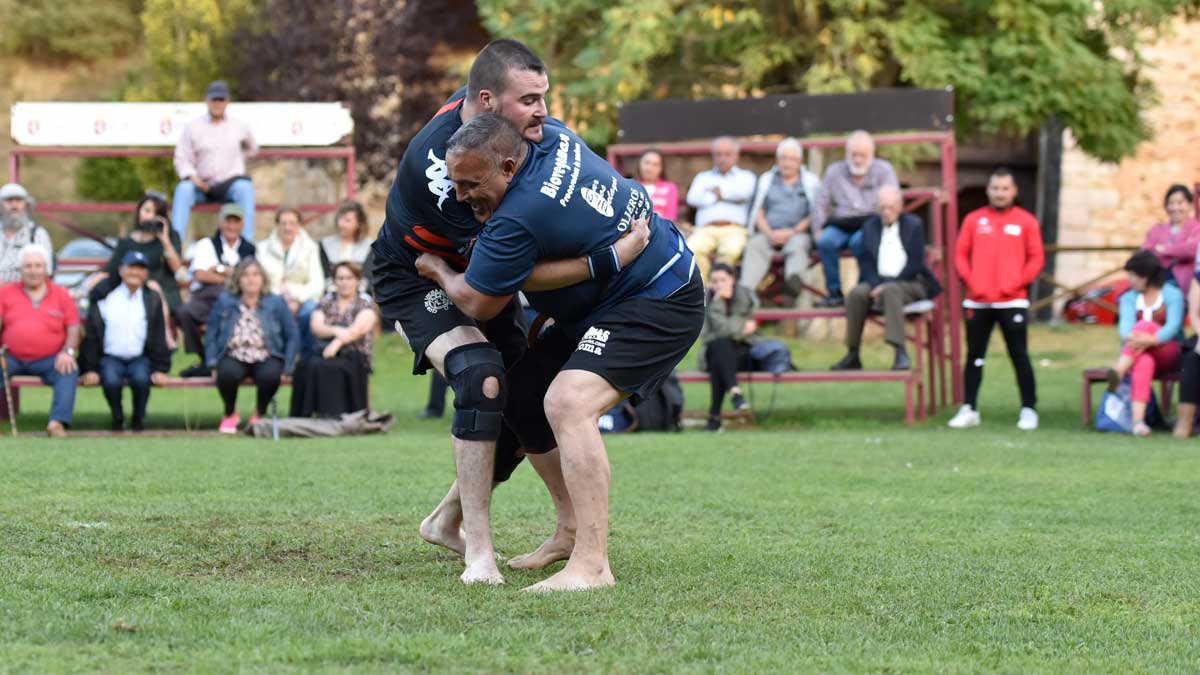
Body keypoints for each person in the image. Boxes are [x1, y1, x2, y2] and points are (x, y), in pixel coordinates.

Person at [369, 39, 649, 586]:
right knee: (481, 378)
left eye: (544, 97)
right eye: (530, 101)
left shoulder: (495, 125)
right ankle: (478, 552)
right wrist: (606, 258)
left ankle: (451, 520)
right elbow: (491, 288)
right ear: (490, 102)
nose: (543, 111)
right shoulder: (449, 173)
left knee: (524, 396)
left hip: (474, 273)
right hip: (418, 272)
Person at [418, 111, 705, 592]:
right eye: (457, 184)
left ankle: (593, 566)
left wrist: (439, 272)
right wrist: (603, 263)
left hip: (658, 296)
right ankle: (570, 531)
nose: (463, 196)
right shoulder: (550, 138)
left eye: (472, 184)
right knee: (524, 394)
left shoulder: (518, 215)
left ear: (508, 167)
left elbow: (479, 297)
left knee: (568, 402)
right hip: (610, 296)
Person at [948, 167, 1045, 431]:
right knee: (975, 357)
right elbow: (960, 254)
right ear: (988, 190)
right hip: (978, 301)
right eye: (995, 188)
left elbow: (1036, 257)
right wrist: (971, 281)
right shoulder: (973, 220)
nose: (1000, 193)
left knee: (1019, 355)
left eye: (1005, 188)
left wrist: (1017, 282)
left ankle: (1028, 408)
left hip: (1011, 301)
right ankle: (969, 407)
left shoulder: (1026, 221)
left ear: (1013, 191)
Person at [831, 186, 942, 372]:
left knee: (892, 290)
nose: (886, 212)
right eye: (882, 208)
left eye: (890, 207)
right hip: (878, 280)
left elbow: (915, 263)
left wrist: (888, 284)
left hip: (910, 281)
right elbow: (865, 261)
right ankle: (853, 353)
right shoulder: (870, 226)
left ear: (900, 206)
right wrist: (876, 285)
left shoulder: (913, 224)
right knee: (856, 293)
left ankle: (900, 352)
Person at [79, 252, 172, 432]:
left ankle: (138, 418)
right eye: (131, 267)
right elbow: (92, 334)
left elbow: (159, 334)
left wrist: (160, 369)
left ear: (146, 273)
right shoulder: (105, 296)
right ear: (121, 270)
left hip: (139, 357)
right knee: (111, 381)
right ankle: (117, 417)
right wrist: (89, 368)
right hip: (111, 357)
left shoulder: (152, 299)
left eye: (140, 268)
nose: (135, 273)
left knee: (140, 380)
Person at [205, 258, 299, 434]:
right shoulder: (225, 301)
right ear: (238, 280)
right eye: (246, 275)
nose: (251, 279)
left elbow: (292, 334)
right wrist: (212, 361)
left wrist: (289, 365)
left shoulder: (276, 302)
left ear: (263, 278)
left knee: (271, 375)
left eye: (256, 274)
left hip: (266, 353)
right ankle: (230, 413)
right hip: (234, 353)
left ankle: (259, 413)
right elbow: (211, 332)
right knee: (226, 373)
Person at [812, 131, 899, 307]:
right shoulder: (834, 171)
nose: (858, 159)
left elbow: (893, 200)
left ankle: (862, 293)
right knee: (825, 241)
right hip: (841, 223)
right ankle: (834, 293)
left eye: (862, 155)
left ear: (871, 155)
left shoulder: (884, 170)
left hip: (870, 223)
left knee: (861, 242)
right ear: (847, 154)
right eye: (854, 155)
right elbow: (820, 202)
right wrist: (817, 230)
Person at [0, 245, 79, 437]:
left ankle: (57, 423)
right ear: (20, 269)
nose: (33, 271)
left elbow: (73, 328)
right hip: (11, 357)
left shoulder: (62, 295)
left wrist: (67, 352)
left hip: (49, 359)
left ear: (46, 269)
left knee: (68, 369)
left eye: (37, 266)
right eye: (28, 266)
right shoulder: (5, 293)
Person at [1103, 251, 1183, 436]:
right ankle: (1138, 423)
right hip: (1138, 355)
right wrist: (1142, 339)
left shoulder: (1172, 295)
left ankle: (1120, 369)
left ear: (1145, 277)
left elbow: (1173, 326)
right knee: (1144, 361)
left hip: (1168, 353)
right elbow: (1125, 331)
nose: (1129, 280)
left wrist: (1153, 338)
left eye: (1132, 275)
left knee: (1144, 325)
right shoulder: (1128, 298)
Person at [172, 80, 258, 241]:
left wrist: (238, 159)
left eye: (221, 99)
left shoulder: (239, 126)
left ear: (228, 102)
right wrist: (193, 178)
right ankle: (175, 246)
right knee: (183, 190)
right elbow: (181, 158)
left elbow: (252, 148)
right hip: (202, 185)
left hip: (230, 184)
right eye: (214, 99)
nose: (218, 103)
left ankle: (247, 249)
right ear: (207, 100)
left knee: (245, 188)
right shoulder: (193, 127)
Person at [176, 204, 256, 377]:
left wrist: (217, 269)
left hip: (235, 299)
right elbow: (201, 275)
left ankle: (224, 361)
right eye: (228, 221)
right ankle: (203, 358)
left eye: (236, 222)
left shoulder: (249, 248)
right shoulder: (207, 244)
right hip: (207, 297)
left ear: (242, 224)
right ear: (221, 222)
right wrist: (230, 274)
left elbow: (249, 278)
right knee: (184, 313)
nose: (231, 226)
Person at [291, 262, 377, 418]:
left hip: (355, 354)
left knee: (334, 367)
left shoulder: (365, 302)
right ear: (334, 281)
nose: (344, 282)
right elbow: (316, 326)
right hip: (324, 352)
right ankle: (305, 413)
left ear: (357, 280)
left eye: (349, 278)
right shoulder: (326, 301)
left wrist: (336, 343)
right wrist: (337, 330)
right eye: (340, 278)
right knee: (305, 365)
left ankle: (339, 413)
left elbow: (358, 330)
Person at [740, 138, 821, 301]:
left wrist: (792, 231)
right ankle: (745, 293)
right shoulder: (766, 180)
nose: (787, 163)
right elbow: (758, 211)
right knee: (755, 245)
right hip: (768, 233)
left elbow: (815, 214)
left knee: (799, 245)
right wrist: (769, 233)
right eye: (784, 158)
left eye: (792, 159)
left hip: (797, 232)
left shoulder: (811, 182)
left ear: (799, 162)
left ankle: (793, 282)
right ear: (778, 160)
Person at [91, 192, 185, 313]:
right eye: (146, 210)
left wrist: (165, 240)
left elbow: (177, 268)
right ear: (139, 210)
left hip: (162, 291)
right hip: (132, 290)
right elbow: (109, 270)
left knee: (154, 299)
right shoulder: (127, 242)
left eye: (155, 213)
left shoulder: (170, 237)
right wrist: (88, 287)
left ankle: (164, 331)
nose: (149, 216)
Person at [684, 136, 757, 280]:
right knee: (692, 249)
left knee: (729, 251)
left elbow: (745, 192)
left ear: (736, 156)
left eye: (727, 154)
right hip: (705, 230)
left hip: (734, 230)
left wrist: (719, 192)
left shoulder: (746, 177)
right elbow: (692, 198)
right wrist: (715, 196)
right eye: (718, 154)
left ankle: (720, 296)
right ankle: (704, 295)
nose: (722, 158)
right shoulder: (703, 177)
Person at [256, 207, 325, 356]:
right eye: (283, 223)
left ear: (299, 225)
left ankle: (307, 359)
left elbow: (317, 284)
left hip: (302, 300)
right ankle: (276, 358)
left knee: (310, 311)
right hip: (272, 298)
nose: (287, 228)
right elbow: (259, 283)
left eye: (292, 223)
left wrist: (295, 297)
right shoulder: (262, 249)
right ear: (277, 225)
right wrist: (282, 300)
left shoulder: (310, 248)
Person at [698, 263, 756, 431]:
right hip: (713, 351)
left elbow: (746, 326)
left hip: (743, 352)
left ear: (733, 279)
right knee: (720, 346)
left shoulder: (745, 295)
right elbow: (710, 334)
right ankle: (735, 393)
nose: (719, 285)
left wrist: (732, 330)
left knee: (720, 357)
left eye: (723, 280)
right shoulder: (705, 299)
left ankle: (714, 418)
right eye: (715, 281)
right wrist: (717, 304)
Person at [1141, 184, 1200, 294]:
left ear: (1190, 205)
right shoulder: (1157, 229)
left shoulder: (1196, 228)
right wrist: (1179, 251)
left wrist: (1164, 249)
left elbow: (1193, 249)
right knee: (1126, 298)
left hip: (1183, 283)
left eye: (1180, 203)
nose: (1175, 208)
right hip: (1155, 280)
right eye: (1171, 203)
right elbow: (1145, 251)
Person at [0, 183, 54, 284]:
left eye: (19, 200)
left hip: (22, 296)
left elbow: (46, 274)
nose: (14, 205)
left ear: (26, 205)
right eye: (9, 201)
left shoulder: (37, 234)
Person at [320, 200, 374, 292]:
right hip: (332, 296)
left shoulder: (369, 247)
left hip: (360, 297)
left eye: (347, 220)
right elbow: (324, 276)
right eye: (340, 219)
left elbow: (367, 279)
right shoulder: (325, 245)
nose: (341, 224)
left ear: (359, 224)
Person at [635, 149, 678, 222]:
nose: (650, 168)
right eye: (647, 162)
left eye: (655, 164)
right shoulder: (630, 187)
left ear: (661, 168)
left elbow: (670, 217)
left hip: (660, 231)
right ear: (639, 164)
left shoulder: (670, 188)